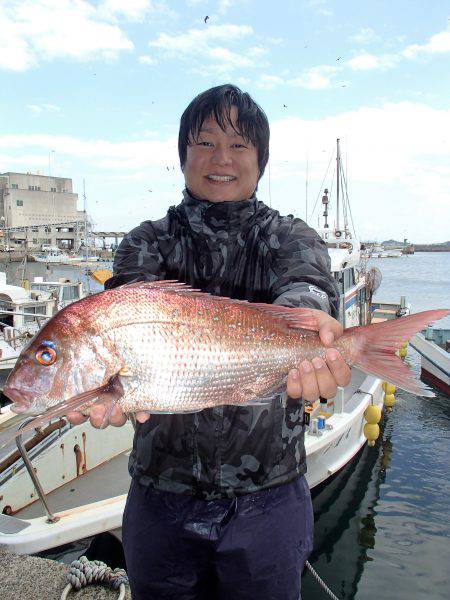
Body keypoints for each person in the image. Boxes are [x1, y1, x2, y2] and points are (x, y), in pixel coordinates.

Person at [68, 84, 351, 599]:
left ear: (261, 160)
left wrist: (312, 325)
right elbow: (124, 311)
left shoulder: (291, 238)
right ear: (182, 156)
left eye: (239, 145)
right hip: (161, 498)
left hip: (269, 500)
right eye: (204, 142)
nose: (221, 159)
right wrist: (101, 385)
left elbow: (306, 287)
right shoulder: (147, 241)